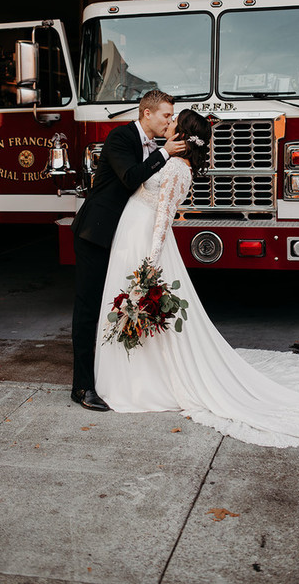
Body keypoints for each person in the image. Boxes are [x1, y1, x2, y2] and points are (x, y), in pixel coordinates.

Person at [95, 109, 299, 447]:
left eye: (173, 122)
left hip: (145, 241)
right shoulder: (170, 161)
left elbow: (163, 220)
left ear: (182, 134)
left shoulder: (176, 168)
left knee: (138, 305)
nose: (167, 125)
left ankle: (141, 382)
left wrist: (149, 267)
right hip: (133, 234)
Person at [70, 89, 185, 410]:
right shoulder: (120, 137)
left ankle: (119, 379)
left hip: (126, 237)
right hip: (96, 234)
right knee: (89, 308)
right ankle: (82, 387)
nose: (169, 121)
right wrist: (164, 153)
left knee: (121, 303)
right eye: (166, 115)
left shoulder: (158, 146)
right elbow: (130, 177)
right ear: (147, 113)